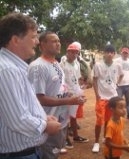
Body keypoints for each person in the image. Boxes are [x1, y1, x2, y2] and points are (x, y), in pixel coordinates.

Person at [0, 13, 61, 159]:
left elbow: (24, 106)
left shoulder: (15, 67)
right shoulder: (8, 70)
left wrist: (44, 118)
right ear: (15, 40)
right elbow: (18, 120)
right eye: (33, 37)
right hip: (19, 154)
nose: (36, 41)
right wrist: (45, 125)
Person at [28, 31, 85, 159]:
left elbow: (60, 88)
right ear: (42, 45)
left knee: (55, 153)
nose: (58, 44)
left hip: (60, 121)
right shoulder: (38, 67)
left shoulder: (56, 64)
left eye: (58, 41)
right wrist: (68, 101)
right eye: (54, 41)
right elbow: (39, 99)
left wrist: (71, 94)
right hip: (46, 124)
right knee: (47, 155)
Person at [92, 44, 124, 153]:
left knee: (108, 121)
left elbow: (121, 75)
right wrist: (97, 95)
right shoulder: (98, 65)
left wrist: (117, 84)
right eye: (107, 52)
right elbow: (95, 80)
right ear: (104, 53)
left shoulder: (118, 65)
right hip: (102, 97)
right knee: (99, 121)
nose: (110, 54)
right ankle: (96, 142)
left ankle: (106, 139)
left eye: (112, 52)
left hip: (113, 98)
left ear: (114, 54)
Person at [60, 42, 89, 149]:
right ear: (67, 52)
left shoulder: (76, 64)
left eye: (76, 52)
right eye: (72, 52)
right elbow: (61, 81)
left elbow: (77, 78)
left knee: (73, 115)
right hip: (67, 94)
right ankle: (65, 139)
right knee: (66, 117)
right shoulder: (62, 64)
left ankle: (75, 136)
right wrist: (67, 92)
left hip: (76, 91)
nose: (74, 54)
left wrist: (82, 84)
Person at [114, 47, 129, 119]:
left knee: (128, 100)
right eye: (124, 53)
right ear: (121, 53)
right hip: (119, 84)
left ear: (128, 54)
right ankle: (118, 115)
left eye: (126, 53)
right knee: (119, 100)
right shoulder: (116, 61)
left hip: (127, 84)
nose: (125, 54)